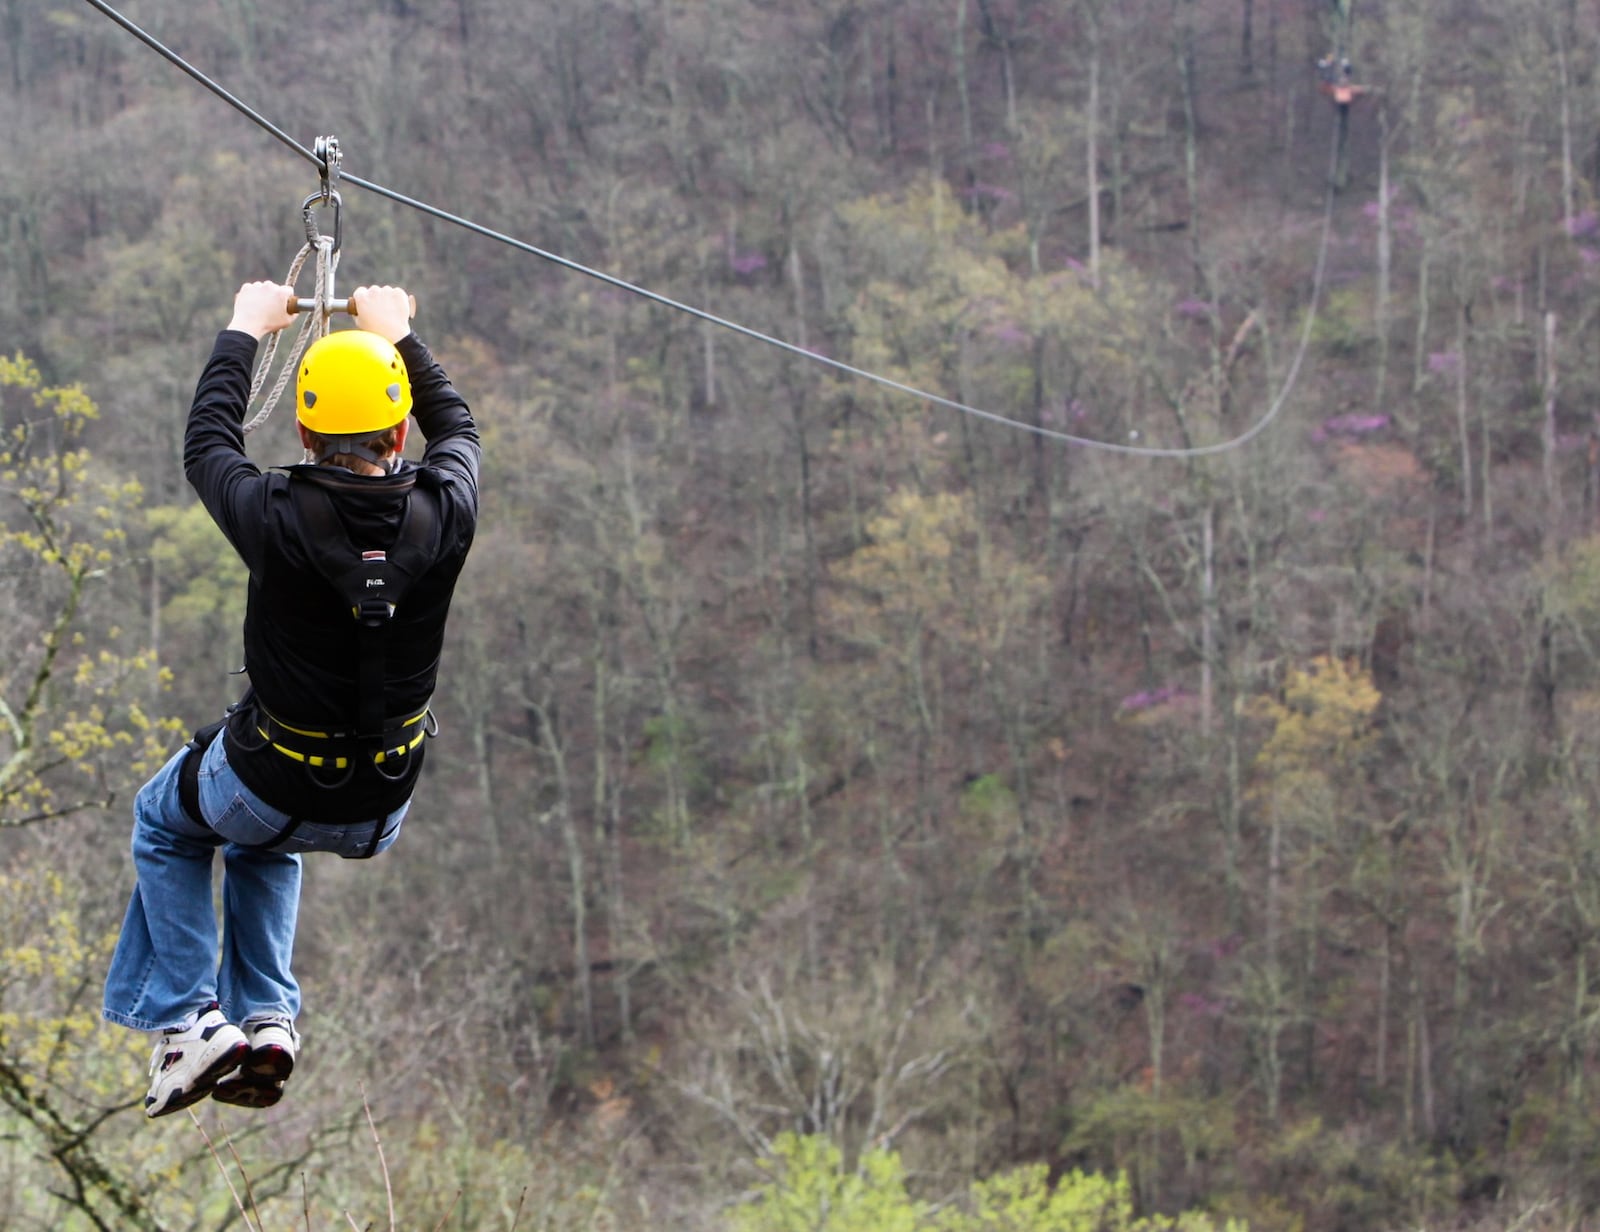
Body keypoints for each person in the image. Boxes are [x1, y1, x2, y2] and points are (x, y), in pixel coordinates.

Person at [103, 281, 480, 1117]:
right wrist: (402, 339)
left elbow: (208, 444)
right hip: (381, 803)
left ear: (305, 431)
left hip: (270, 778)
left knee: (165, 819)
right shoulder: (448, 509)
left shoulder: (274, 514)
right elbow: (458, 430)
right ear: (400, 428)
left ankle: (188, 1017)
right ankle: (267, 1020)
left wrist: (244, 327)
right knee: (260, 839)